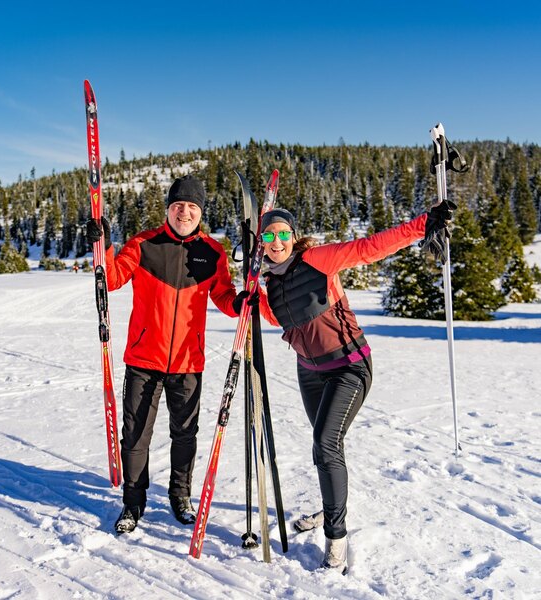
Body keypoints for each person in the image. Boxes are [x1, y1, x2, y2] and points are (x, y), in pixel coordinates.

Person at [255, 203, 452, 571]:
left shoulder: (317, 260)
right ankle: (330, 509)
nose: (277, 240)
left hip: (349, 366)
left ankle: (336, 537)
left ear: (293, 237)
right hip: (309, 371)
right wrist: (250, 303)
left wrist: (422, 224)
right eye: (270, 234)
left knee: (326, 443)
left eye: (284, 233)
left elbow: (369, 248)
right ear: (261, 242)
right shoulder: (270, 281)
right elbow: (282, 318)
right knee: (324, 447)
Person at [87, 175, 249, 534]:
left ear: (201, 212)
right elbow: (112, 279)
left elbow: (224, 296)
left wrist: (239, 303)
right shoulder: (144, 244)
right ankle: (133, 502)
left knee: (185, 434)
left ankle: (180, 496)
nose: (185, 212)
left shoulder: (212, 252)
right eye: (179, 206)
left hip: (189, 362)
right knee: (135, 436)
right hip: (144, 359)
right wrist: (105, 245)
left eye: (192, 207)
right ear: (169, 209)